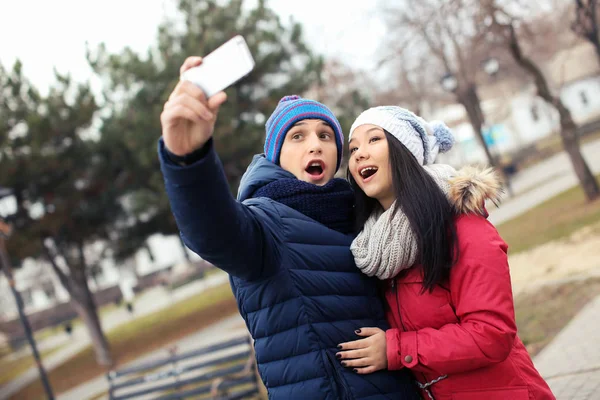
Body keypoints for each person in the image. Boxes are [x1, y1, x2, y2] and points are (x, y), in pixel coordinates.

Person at [158, 57, 419, 400]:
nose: (315, 144)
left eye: (325, 135)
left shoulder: (357, 213)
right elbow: (211, 230)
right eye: (297, 136)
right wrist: (187, 160)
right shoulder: (266, 222)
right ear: (276, 155)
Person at [336, 106, 555, 400]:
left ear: (406, 152)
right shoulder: (373, 247)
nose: (360, 154)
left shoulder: (463, 228)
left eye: (374, 139)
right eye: (353, 148)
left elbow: (492, 334)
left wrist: (396, 349)